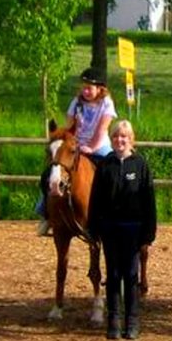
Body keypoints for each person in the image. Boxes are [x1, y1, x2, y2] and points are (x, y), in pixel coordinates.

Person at [87, 120, 157, 340]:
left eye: (124, 137)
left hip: (133, 228)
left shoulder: (140, 165)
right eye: (116, 136)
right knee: (113, 274)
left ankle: (132, 322)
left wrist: (149, 232)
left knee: (131, 275)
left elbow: (149, 200)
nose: (120, 140)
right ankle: (114, 321)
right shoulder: (105, 166)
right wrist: (94, 228)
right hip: (110, 227)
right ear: (112, 139)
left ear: (131, 140)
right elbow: (95, 198)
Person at [35, 67, 116, 236]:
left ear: (99, 88)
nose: (85, 91)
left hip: (99, 145)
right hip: (76, 145)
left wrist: (92, 148)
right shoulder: (76, 103)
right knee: (51, 172)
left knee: (112, 172)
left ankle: (112, 214)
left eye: (89, 88)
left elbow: (102, 129)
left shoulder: (106, 103)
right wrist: (70, 144)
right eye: (83, 87)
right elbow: (70, 127)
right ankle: (46, 214)